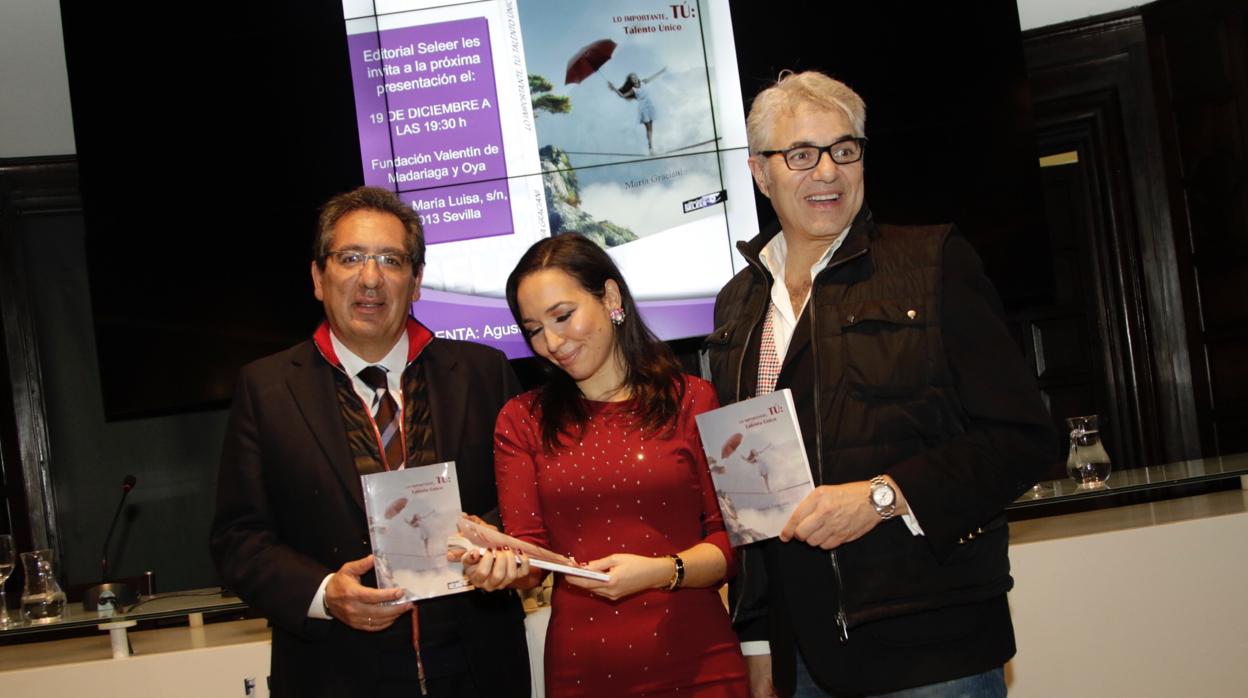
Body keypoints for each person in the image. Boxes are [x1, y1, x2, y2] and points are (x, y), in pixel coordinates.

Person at [704, 71, 1055, 697]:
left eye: (845, 150)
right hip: (804, 654)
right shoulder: (737, 305)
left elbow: (1021, 438)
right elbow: (750, 493)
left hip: (931, 646)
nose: (828, 173)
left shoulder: (933, 263)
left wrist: (881, 498)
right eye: (802, 155)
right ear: (761, 173)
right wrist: (757, 641)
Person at [210, 186, 530, 697]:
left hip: (477, 668)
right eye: (351, 257)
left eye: (391, 260)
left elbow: (521, 506)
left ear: (417, 280)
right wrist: (322, 593)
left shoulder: (481, 373)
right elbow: (238, 540)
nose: (371, 278)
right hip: (336, 671)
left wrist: (497, 552)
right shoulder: (267, 389)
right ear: (318, 277)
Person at [465, 233, 748, 696]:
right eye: (535, 329)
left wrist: (661, 571)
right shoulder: (522, 421)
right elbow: (531, 557)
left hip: (700, 663)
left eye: (563, 316)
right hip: (584, 668)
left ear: (611, 297)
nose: (551, 342)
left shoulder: (694, 400)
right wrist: (497, 566)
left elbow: (731, 540)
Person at [608, 68, 666, 154]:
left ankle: (651, 147)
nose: (634, 79)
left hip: (650, 105)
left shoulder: (643, 82)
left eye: (635, 77)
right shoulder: (633, 90)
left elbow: (652, 77)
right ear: (631, 81)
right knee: (648, 127)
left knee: (651, 128)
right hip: (643, 108)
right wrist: (613, 88)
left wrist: (662, 71)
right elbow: (622, 96)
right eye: (632, 78)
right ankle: (651, 148)